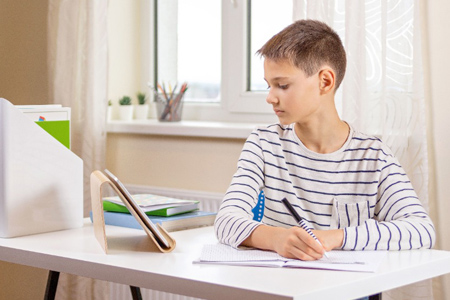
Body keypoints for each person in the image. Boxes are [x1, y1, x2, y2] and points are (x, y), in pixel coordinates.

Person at [214, 19, 435, 261]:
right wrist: (276, 239)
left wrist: (335, 237)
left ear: (325, 81)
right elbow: (226, 220)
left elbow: (421, 230)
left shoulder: (373, 156)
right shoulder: (263, 145)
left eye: (282, 85)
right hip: (279, 290)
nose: (270, 98)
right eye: (269, 86)